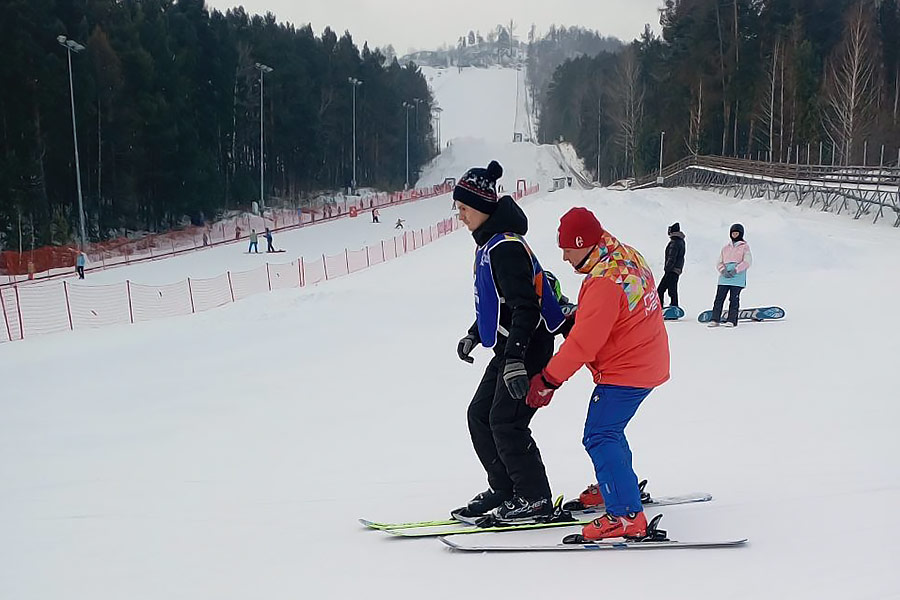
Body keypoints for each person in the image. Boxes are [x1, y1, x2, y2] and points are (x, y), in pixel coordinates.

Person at [526, 207, 670, 541]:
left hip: (627, 370)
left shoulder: (604, 282)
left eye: (567, 248)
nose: (563, 256)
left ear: (584, 242)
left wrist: (548, 380)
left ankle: (625, 516)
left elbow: (582, 346)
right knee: (611, 431)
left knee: (600, 434)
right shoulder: (624, 254)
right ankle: (616, 487)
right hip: (646, 358)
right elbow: (614, 315)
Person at [451, 160, 567, 522]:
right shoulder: (490, 244)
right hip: (510, 347)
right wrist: (475, 333)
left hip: (527, 347)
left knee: (507, 421)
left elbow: (526, 307)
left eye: (464, 209)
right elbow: (497, 301)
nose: (460, 216)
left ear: (483, 207)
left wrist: (516, 358)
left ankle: (533, 497)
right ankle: (505, 488)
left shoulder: (506, 248)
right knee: (479, 416)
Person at [708, 223, 752, 327]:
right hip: (724, 278)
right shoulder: (725, 248)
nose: (734, 235)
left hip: (737, 278)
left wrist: (736, 270)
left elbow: (747, 262)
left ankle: (732, 320)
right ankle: (715, 319)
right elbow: (719, 262)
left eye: (736, 233)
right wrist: (723, 270)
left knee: (734, 299)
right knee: (719, 298)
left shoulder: (744, 247)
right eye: (733, 233)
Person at [657, 222, 685, 307]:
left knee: (660, 290)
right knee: (672, 289)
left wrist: (667, 268)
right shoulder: (680, 241)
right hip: (676, 269)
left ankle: (661, 307)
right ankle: (674, 305)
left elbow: (671, 257)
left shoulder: (674, 242)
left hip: (671, 270)